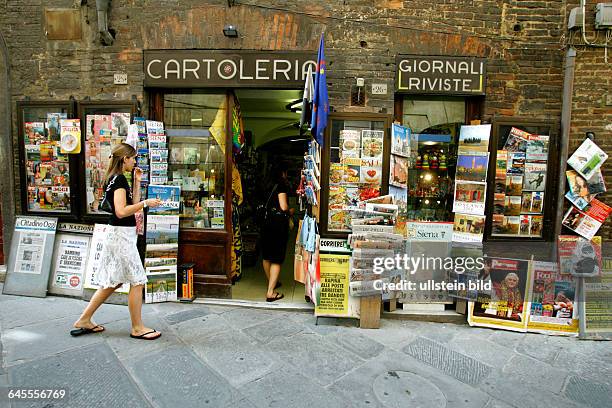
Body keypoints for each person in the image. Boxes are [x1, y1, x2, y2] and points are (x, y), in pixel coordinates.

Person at [71, 143, 162, 340]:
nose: (135, 162)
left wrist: (137, 182)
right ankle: (137, 328)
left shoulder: (116, 179)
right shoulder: (119, 179)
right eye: (133, 158)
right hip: (121, 236)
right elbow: (121, 212)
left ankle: (84, 320)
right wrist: (146, 203)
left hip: (120, 234)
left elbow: (131, 207)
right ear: (124, 159)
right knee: (137, 280)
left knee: (113, 281)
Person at [261, 162, 294, 302]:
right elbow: (283, 206)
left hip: (266, 222)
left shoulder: (265, 184)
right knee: (277, 257)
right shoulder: (281, 185)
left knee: (267, 256)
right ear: (282, 173)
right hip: (277, 224)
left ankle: (271, 282)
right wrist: (291, 211)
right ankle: (271, 292)